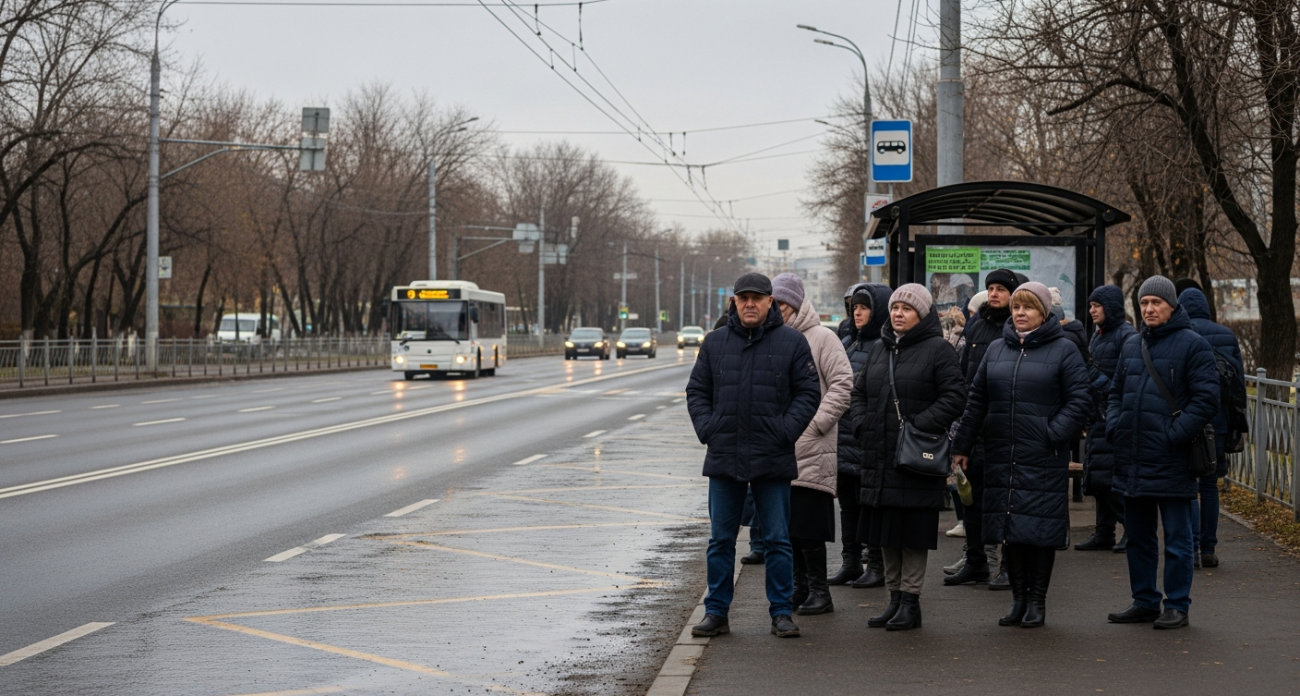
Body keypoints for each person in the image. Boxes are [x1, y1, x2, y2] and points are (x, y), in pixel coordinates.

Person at [686, 273, 822, 639]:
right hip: (725, 454)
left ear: (769, 302)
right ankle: (716, 612)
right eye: (742, 298)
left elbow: (809, 393)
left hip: (772, 456)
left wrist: (784, 431)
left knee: (777, 539)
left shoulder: (792, 342)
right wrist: (709, 428)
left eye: (757, 298)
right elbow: (697, 391)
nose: (749, 304)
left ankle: (781, 612)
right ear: (733, 302)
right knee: (720, 540)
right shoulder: (715, 343)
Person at [954, 282, 1091, 627]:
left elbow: (1080, 401)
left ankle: (1036, 602)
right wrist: (962, 447)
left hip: (1042, 455)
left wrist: (1052, 434)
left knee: (1039, 532)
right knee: (1009, 529)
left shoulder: (1064, 350)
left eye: (1028, 307)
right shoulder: (997, 349)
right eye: (1016, 307)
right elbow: (976, 401)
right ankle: (1017, 600)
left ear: (1044, 313)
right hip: (1002, 453)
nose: (1020, 313)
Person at [1105, 276, 1219, 630]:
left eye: (1156, 302)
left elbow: (1206, 400)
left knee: (1177, 540)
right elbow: (1115, 392)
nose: (1149, 309)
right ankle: (1144, 600)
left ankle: (1178, 604)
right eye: (1143, 303)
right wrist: (1115, 426)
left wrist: (1175, 435)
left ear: (1172, 305)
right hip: (1134, 458)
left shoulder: (1193, 345)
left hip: (1173, 459)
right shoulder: (1132, 345)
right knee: (1138, 538)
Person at [851, 284, 967, 631]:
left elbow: (954, 397)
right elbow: (858, 392)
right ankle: (894, 599)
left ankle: (911, 603)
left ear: (923, 314)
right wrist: (861, 425)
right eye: (895, 307)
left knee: (911, 534)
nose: (898, 313)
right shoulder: (879, 349)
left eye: (907, 308)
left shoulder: (937, 350)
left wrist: (916, 428)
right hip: (879, 455)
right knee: (886, 532)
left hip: (914, 458)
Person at [770, 273, 854, 615]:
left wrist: (817, 423)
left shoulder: (822, 338)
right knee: (787, 528)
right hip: (778, 446)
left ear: (797, 305)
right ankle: (800, 588)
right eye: (773, 303)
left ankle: (821, 592)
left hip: (812, 445)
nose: (777, 310)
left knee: (809, 525)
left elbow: (843, 383)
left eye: (782, 304)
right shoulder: (772, 338)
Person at [946, 269, 1021, 589]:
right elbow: (965, 376)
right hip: (975, 425)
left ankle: (1006, 565)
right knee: (971, 498)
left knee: (1005, 502)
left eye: (1001, 289)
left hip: (1006, 427)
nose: (994, 294)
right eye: (990, 288)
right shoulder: (977, 323)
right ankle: (976, 561)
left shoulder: (1016, 326)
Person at [830, 282, 893, 587]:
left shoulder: (887, 346)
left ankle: (877, 565)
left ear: (877, 310)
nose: (857, 312)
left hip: (869, 438)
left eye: (864, 307)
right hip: (843, 439)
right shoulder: (847, 342)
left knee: (872, 505)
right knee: (849, 506)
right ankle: (850, 562)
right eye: (854, 307)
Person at [1178, 285, 1244, 569]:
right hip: (1217, 421)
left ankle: (1190, 548)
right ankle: (1209, 548)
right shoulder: (1226, 335)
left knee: (1188, 486)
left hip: (1186, 418)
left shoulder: (1180, 334)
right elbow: (1238, 382)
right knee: (1210, 485)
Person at [1076, 285, 1137, 552]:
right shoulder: (1099, 337)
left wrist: (1093, 376)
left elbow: (1125, 382)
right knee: (1099, 479)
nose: (1092, 311)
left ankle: (1132, 531)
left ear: (1110, 307)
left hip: (1117, 417)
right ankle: (1104, 532)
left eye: (1096, 306)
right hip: (1099, 417)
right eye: (1090, 306)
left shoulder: (1126, 336)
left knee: (1112, 480)